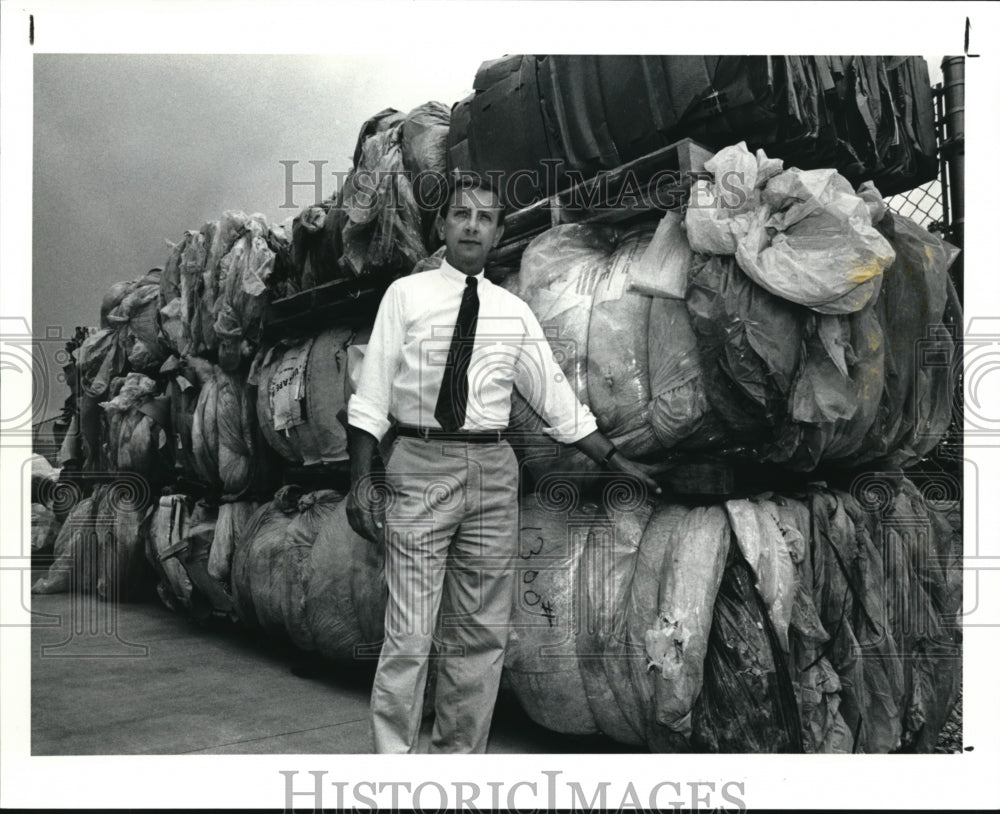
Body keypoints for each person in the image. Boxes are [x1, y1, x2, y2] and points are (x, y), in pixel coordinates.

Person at [346, 172, 659, 754]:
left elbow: (555, 398)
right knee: (410, 631)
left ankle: (457, 764)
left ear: (496, 234)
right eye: (462, 214)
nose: (472, 225)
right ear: (442, 227)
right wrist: (362, 480)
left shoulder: (513, 311)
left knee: (481, 634)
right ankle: (390, 765)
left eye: (485, 218)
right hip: (419, 462)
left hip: (492, 472)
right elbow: (370, 396)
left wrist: (615, 459)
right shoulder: (406, 296)